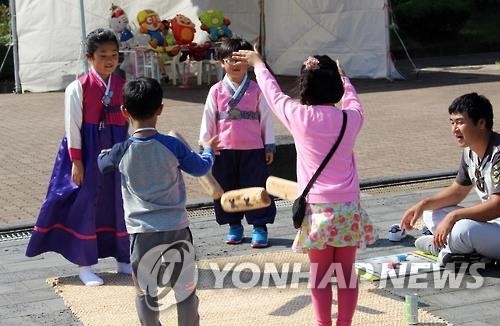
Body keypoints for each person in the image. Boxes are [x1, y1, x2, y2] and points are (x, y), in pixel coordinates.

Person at [232, 51, 376, 325]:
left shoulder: (299, 116)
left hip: (317, 209)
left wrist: (259, 64)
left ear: (304, 86)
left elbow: (273, 95)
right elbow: (354, 102)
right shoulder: (351, 119)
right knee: (346, 273)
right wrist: (345, 79)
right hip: (348, 207)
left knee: (320, 274)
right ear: (335, 86)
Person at [98, 77, 220, 326]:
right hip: (175, 226)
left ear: (124, 111)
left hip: (141, 232)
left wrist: (106, 153)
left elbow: (102, 166)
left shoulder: (121, 150)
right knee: (184, 288)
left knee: (145, 289)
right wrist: (207, 150)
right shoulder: (172, 144)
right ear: (160, 109)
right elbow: (201, 168)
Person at [26, 28, 131, 286]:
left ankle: (124, 259)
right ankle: (85, 265)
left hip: (116, 149)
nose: (109, 60)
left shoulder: (121, 85)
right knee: (86, 204)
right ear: (89, 57)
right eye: (102, 55)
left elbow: (128, 120)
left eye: (114, 55)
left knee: (118, 202)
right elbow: (72, 126)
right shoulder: (78, 87)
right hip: (88, 150)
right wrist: (76, 161)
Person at [400, 92, 500, 265]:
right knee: (432, 211)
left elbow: (497, 207)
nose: (454, 129)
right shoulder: (470, 152)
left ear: (482, 123)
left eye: (460, 122)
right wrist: (423, 204)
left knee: (463, 228)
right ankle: (452, 247)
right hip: (492, 225)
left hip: (495, 222)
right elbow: (457, 192)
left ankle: (447, 247)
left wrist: (454, 216)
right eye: (452, 122)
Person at [199, 37, 277, 248]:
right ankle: (234, 225)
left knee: (255, 188)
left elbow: (266, 118)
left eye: (239, 59)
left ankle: (260, 226)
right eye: (228, 60)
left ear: (248, 61)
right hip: (223, 150)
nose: (234, 65)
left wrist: (268, 144)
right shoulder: (215, 90)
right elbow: (208, 118)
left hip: (252, 149)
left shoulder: (257, 89)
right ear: (221, 63)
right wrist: (206, 144)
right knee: (226, 189)